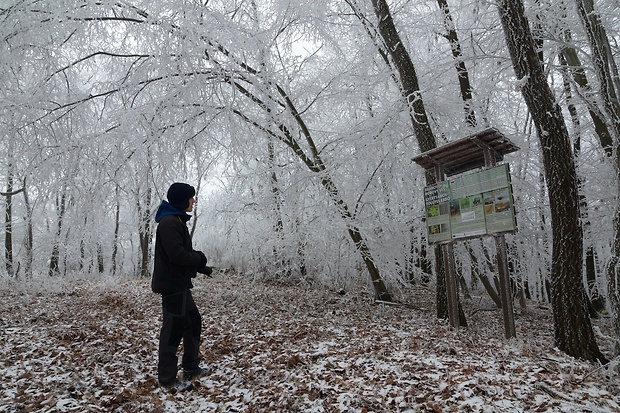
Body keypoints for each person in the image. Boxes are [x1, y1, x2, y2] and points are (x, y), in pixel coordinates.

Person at [152, 182, 210, 392]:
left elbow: (179, 255)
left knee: (192, 322)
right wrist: (199, 258)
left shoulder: (176, 221)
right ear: (181, 199)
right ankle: (167, 378)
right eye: (191, 197)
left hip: (180, 285)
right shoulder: (169, 223)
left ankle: (190, 366)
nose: (193, 201)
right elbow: (177, 255)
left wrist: (201, 267)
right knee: (173, 331)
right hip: (172, 287)